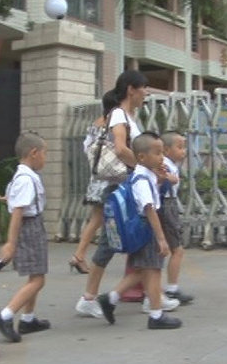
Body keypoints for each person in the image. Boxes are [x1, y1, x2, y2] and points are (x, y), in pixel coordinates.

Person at [74, 71, 181, 318]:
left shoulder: (129, 116)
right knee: (112, 243)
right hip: (121, 189)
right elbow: (121, 149)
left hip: (126, 187)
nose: (147, 92)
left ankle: (150, 297)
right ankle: (90, 298)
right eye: (144, 87)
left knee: (138, 243)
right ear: (131, 89)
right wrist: (147, 168)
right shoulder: (119, 115)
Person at [96, 132, 181, 329]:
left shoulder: (146, 174)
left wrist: (160, 180)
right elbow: (149, 209)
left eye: (162, 153)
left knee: (142, 270)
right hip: (147, 228)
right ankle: (156, 315)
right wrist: (161, 238)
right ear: (142, 157)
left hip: (142, 228)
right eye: (157, 153)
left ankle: (111, 298)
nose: (162, 157)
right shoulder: (142, 179)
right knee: (153, 271)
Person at [0, 132, 52, 343]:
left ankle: (28, 319)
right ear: (34, 153)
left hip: (33, 226)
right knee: (38, 280)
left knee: (35, 275)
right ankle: (5, 315)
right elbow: (18, 212)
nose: (45, 158)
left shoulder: (22, 176)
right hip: (30, 228)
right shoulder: (25, 180)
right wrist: (11, 243)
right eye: (44, 153)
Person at [69, 91, 123, 274]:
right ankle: (79, 255)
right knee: (100, 219)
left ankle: (80, 255)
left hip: (98, 176)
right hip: (112, 176)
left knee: (97, 219)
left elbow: (87, 148)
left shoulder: (95, 124)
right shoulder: (116, 124)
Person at [158, 130, 194, 304]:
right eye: (179, 147)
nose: (183, 151)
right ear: (166, 150)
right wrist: (168, 178)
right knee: (177, 249)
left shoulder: (168, 163)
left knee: (169, 250)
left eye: (184, 147)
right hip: (167, 205)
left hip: (168, 204)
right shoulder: (164, 164)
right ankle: (171, 289)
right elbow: (159, 176)